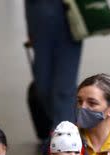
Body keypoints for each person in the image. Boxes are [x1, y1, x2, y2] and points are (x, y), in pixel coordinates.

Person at [25, 0, 82, 133]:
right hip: (38, 15)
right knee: (43, 84)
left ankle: (64, 134)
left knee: (64, 87)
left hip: (69, 14)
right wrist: (30, 28)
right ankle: (67, 123)